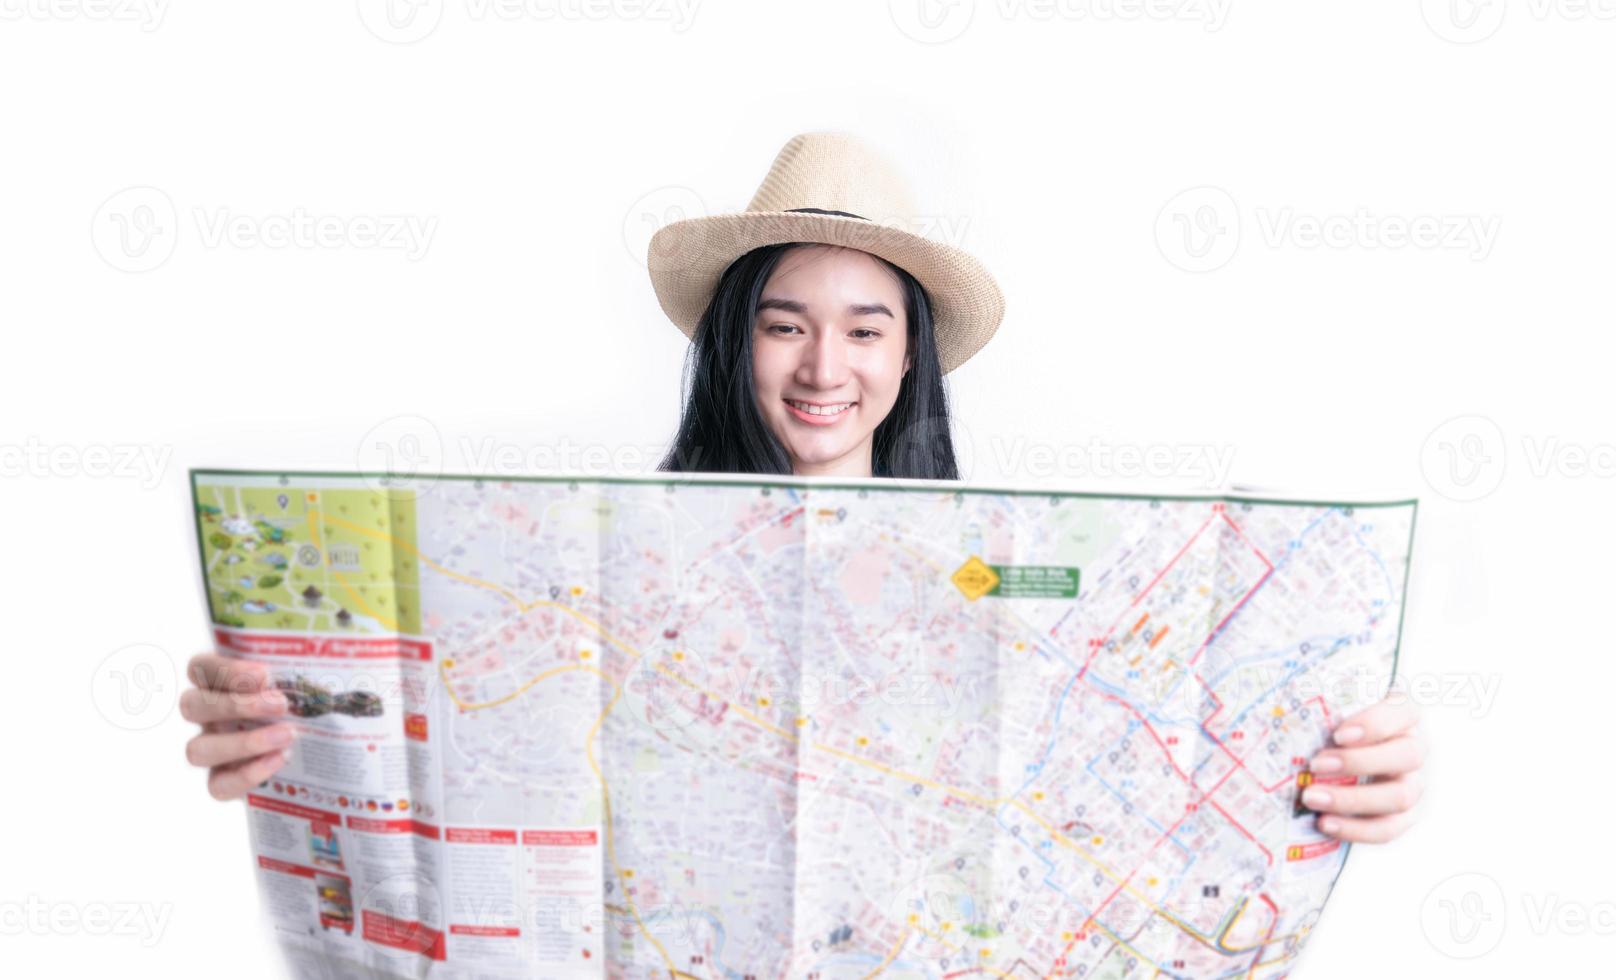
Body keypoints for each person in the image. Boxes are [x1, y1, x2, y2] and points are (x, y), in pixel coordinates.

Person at [180, 130, 1425, 845]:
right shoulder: (596, 576)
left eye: (865, 329)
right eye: (782, 324)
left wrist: (1337, 767)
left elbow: (1137, 757)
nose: (824, 367)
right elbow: (467, 738)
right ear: (735, 343)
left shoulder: (1014, 583)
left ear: (908, 356)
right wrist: (294, 735)